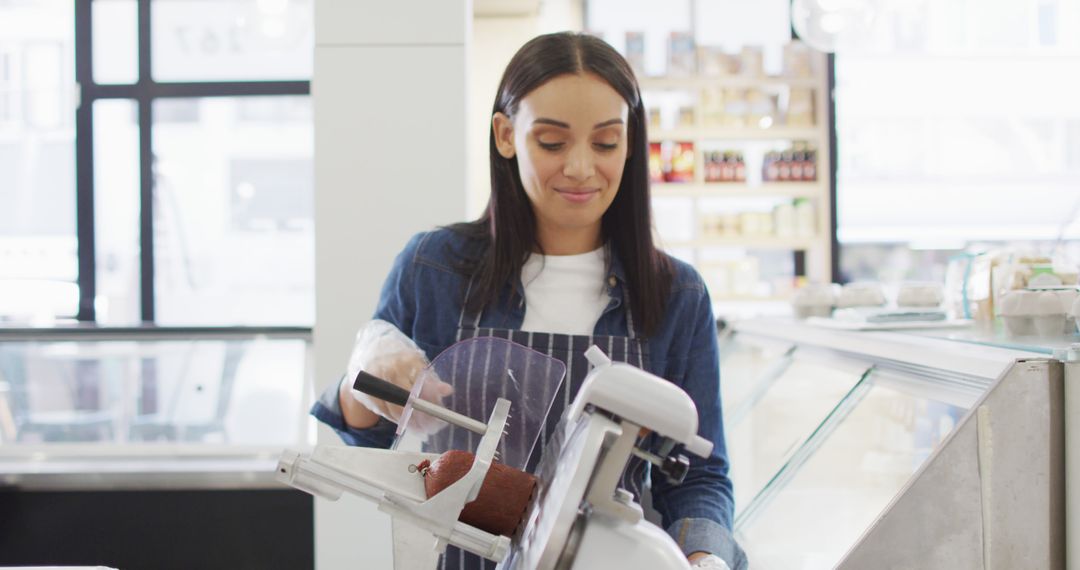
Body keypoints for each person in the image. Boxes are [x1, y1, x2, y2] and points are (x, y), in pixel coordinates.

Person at [312, 32, 747, 570]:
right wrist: (366, 371)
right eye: (553, 142)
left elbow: (700, 475)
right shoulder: (435, 269)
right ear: (505, 135)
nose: (582, 168)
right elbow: (364, 434)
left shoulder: (675, 295)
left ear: (630, 144)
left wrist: (706, 559)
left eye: (606, 143)